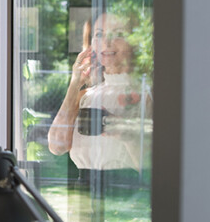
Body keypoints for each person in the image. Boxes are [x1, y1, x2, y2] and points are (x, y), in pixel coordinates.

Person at [48, 12, 151, 174]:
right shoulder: (85, 96)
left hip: (127, 193)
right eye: (99, 35)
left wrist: (125, 133)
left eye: (118, 34)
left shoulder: (147, 96)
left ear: (135, 42)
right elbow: (57, 146)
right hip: (83, 192)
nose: (106, 42)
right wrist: (75, 84)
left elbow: (154, 170)